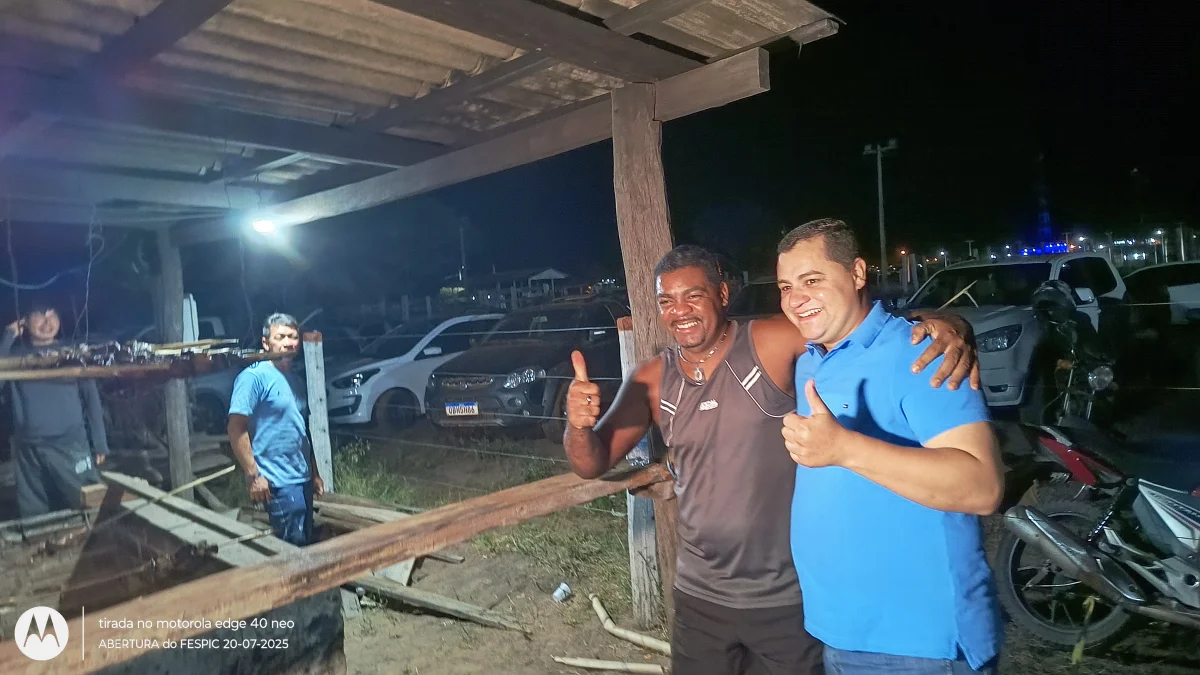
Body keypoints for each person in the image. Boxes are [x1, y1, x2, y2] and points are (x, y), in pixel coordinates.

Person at [563, 245, 980, 675]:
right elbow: (591, 463)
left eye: (693, 296)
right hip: (699, 597)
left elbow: (850, 324)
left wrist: (944, 323)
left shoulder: (769, 343)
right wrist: (577, 425)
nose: (679, 311)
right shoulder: (652, 378)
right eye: (666, 301)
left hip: (785, 598)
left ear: (723, 294)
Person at [777, 219, 1003, 674]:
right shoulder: (811, 360)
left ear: (857, 273)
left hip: (919, 645)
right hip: (841, 632)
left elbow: (983, 487)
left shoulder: (922, 351)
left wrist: (844, 448)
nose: (796, 298)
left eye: (812, 280)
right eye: (785, 287)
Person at [1, 301, 109, 518]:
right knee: (36, 513)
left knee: (86, 502)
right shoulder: (15, 357)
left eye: (52, 314)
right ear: (24, 322)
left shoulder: (72, 353)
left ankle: (95, 537)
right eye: (40, 314)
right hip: (30, 450)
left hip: (70, 444)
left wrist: (99, 441)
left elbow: (91, 397)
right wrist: (8, 336)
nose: (47, 321)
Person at [227, 313, 325, 546]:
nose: (288, 342)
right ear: (265, 343)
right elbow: (236, 428)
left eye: (293, 337)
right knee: (292, 549)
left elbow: (302, 430)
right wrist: (253, 475)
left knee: (305, 542)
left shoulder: (295, 380)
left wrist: (314, 473)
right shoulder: (253, 377)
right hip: (277, 483)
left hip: (301, 479)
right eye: (280, 337)